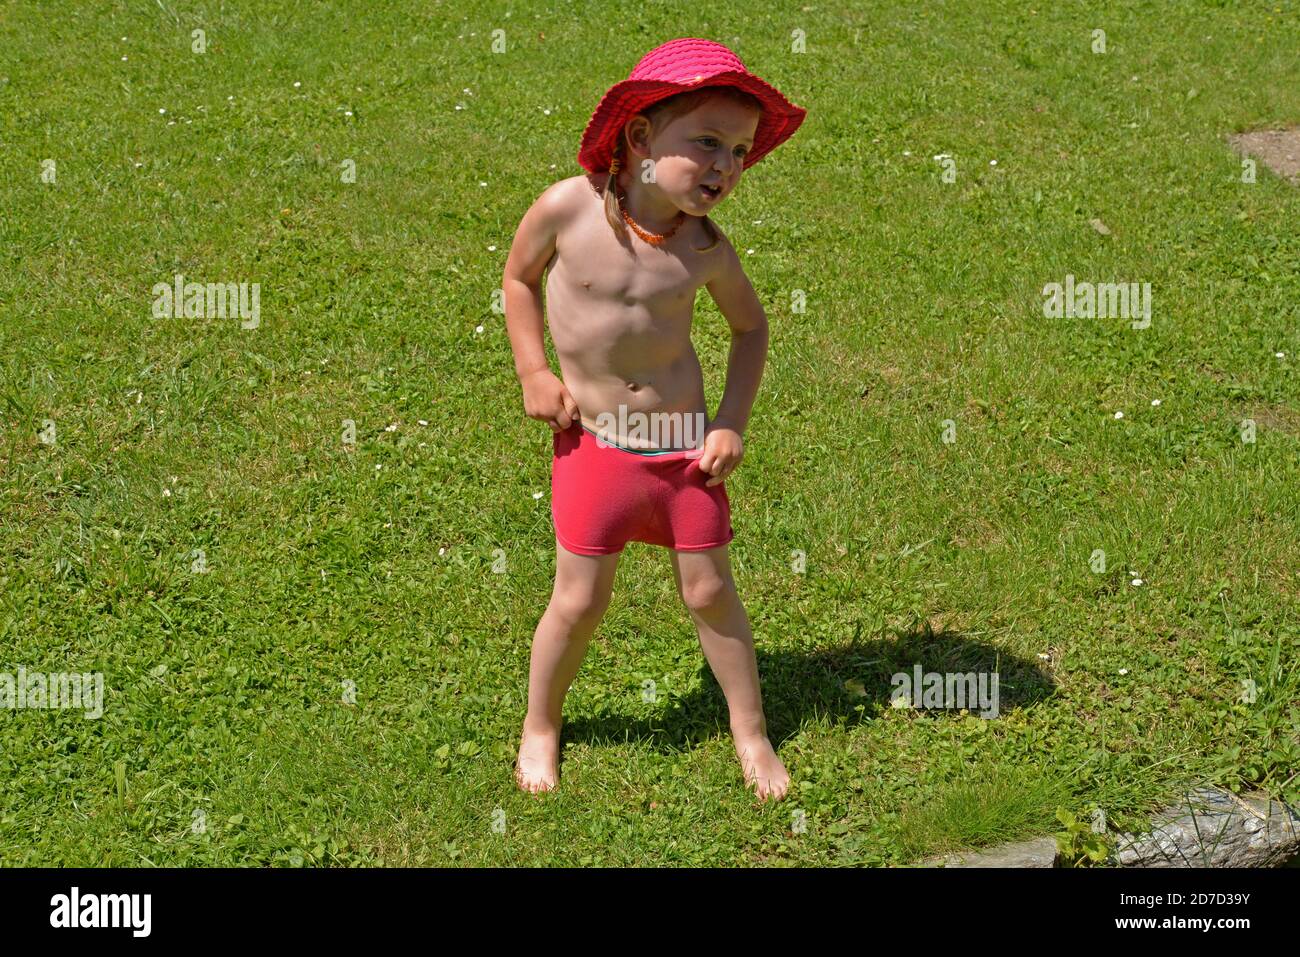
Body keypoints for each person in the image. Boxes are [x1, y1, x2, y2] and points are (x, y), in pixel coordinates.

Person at [502, 38, 807, 801]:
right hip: (595, 447)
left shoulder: (704, 249)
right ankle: (541, 723)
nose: (726, 166)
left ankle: (751, 730)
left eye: (738, 151)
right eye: (706, 142)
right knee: (579, 598)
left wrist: (730, 421)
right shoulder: (566, 209)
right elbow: (517, 279)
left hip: (680, 452)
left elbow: (751, 329)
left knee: (708, 590)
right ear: (639, 137)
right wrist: (533, 371)